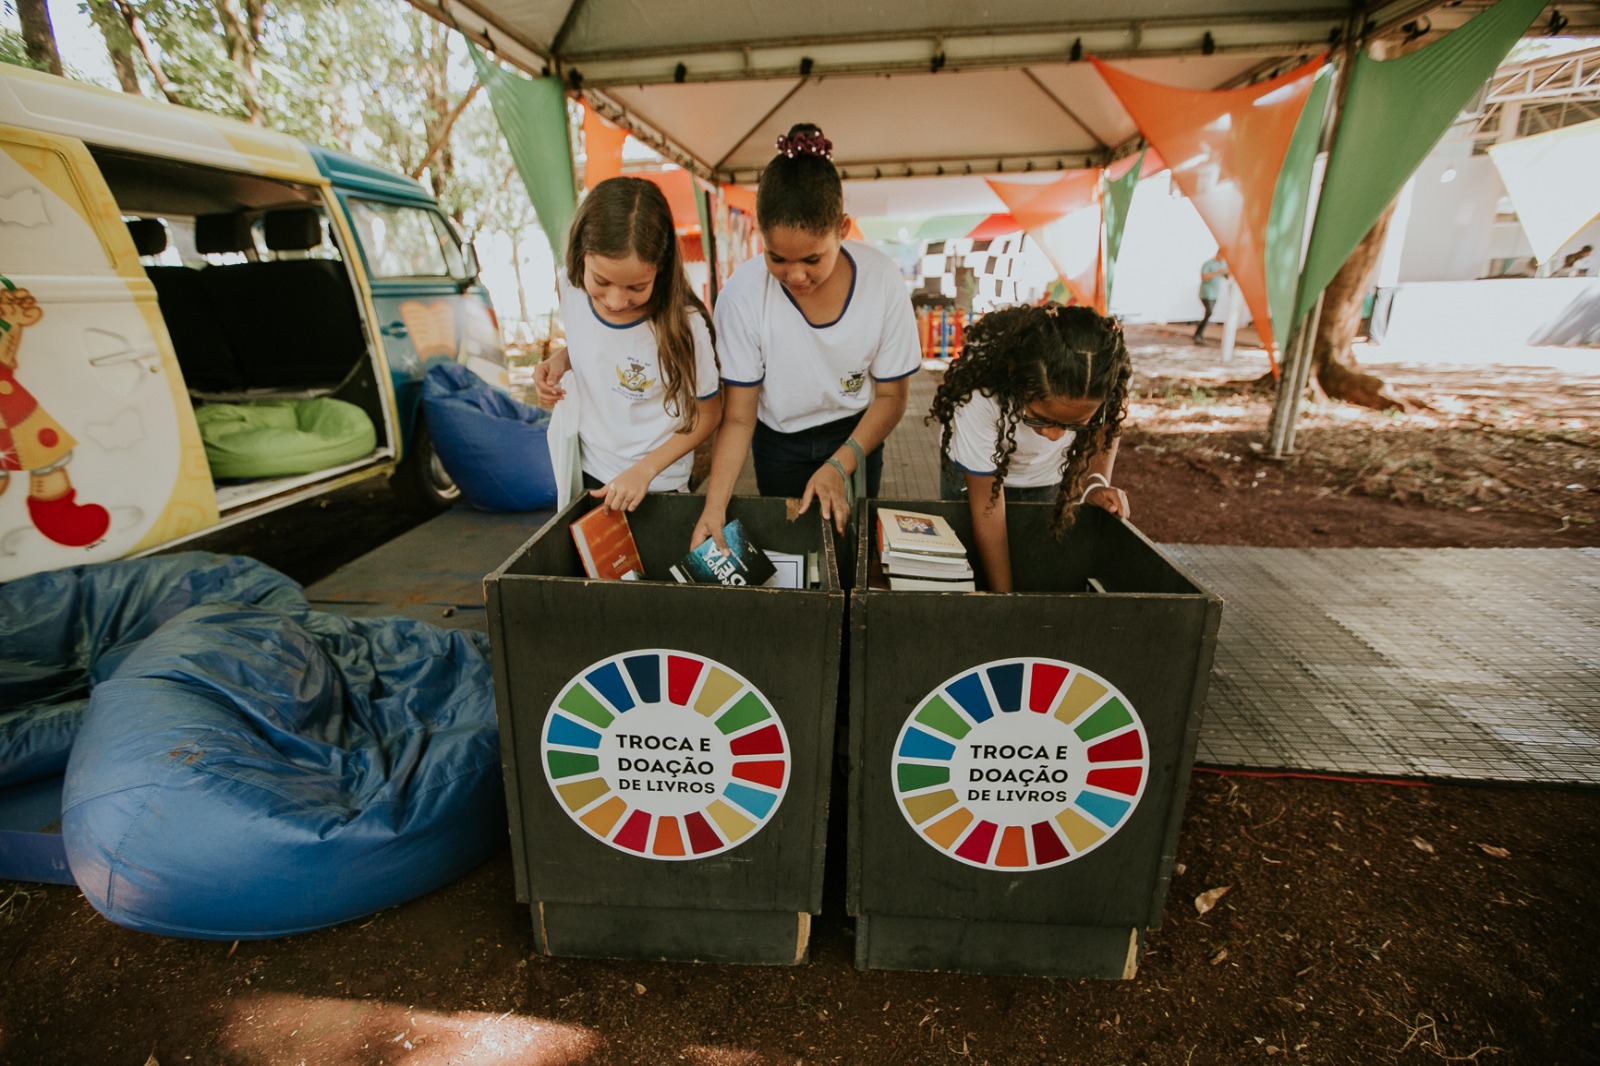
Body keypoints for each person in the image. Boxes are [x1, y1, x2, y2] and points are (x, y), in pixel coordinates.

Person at [692, 123, 920, 550]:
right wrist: (714, 507)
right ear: (761, 237)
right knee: (792, 550)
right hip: (778, 443)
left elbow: (892, 398)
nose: (795, 275)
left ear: (844, 229)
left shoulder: (882, 281)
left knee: (854, 547)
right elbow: (739, 417)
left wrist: (842, 461)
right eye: (777, 258)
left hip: (858, 432)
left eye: (813, 259)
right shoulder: (742, 296)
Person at [533, 177, 722, 513]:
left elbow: (708, 414)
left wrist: (645, 470)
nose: (616, 301)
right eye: (601, 282)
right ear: (580, 256)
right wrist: (562, 361)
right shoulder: (570, 286)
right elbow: (597, 343)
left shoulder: (686, 326)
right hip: (589, 471)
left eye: (636, 287)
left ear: (660, 271)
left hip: (659, 484)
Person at [930, 303, 1131, 592]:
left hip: (1047, 478)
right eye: (1040, 419)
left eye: (1075, 424)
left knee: (1036, 569)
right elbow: (987, 507)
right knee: (973, 578)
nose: (1054, 436)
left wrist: (1095, 484)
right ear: (1017, 382)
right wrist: (1007, 602)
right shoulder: (977, 395)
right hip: (975, 480)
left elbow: (1107, 425)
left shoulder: (1108, 374)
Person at [1194, 253, 1228, 344]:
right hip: (1206, 293)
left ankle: (1199, 333)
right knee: (1209, 312)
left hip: (1215, 294)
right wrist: (1218, 272)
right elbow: (1204, 277)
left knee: (1208, 314)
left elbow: (1226, 277)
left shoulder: (1223, 264)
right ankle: (1198, 333)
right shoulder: (1208, 264)